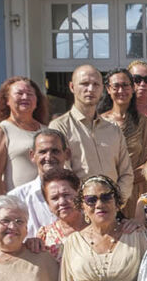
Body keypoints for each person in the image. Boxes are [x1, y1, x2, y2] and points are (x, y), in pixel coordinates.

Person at [50, 64, 134, 200]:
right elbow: (63, 174)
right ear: (72, 87)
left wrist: (116, 201)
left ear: (102, 89)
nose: (90, 89)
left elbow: (126, 173)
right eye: (84, 84)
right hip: (79, 207)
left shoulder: (113, 129)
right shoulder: (59, 127)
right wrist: (85, 204)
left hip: (113, 207)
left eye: (96, 84)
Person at [98, 67, 147, 203]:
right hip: (105, 193)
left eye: (125, 85)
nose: (121, 91)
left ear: (133, 88)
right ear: (108, 89)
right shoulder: (98, 123)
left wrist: (123, 183)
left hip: (137, 192)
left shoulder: (144, 123)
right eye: (116, 86)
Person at [0, 77, 49, 196]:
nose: (25, 97)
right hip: (17, 201)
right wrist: (2, 203)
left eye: (30, 94)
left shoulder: (46, 131)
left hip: (45, 199)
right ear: (7, 100)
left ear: (37, 101)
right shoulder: (2, 130)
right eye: (19, 93)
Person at [13, 129, 70, 237]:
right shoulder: (17, 198)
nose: (49, 157)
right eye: (43, 152)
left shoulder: (82, 194)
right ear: (32, 155)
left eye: (55, 151)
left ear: (66, 154)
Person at [34, 167, 86, 261]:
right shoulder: (44, 236)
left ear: (79, 195)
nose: (62, 202)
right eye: (54, 198)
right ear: (48, 204)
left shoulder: (98, 228)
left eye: (66, 195)